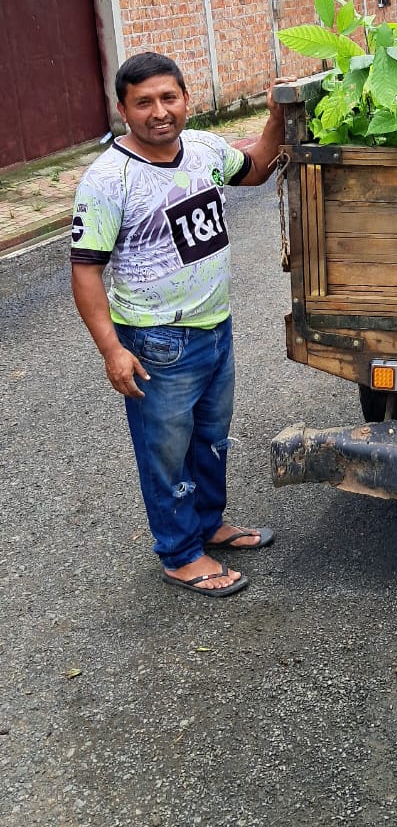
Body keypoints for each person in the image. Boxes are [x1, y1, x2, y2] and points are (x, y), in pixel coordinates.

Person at [71, 52, 289, 597]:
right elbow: (86, 271)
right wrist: (112, 351)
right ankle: (179, 553)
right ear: (123, 110)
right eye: (143, 102)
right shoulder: (108, 179)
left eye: (168, 97)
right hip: (155, 339)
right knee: (165, 453)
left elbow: (256, 167)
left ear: (186, 99)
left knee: (210, 440)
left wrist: (277, 117)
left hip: (215, 326)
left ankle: (208, 525)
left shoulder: (205, 148)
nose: (159, 112)